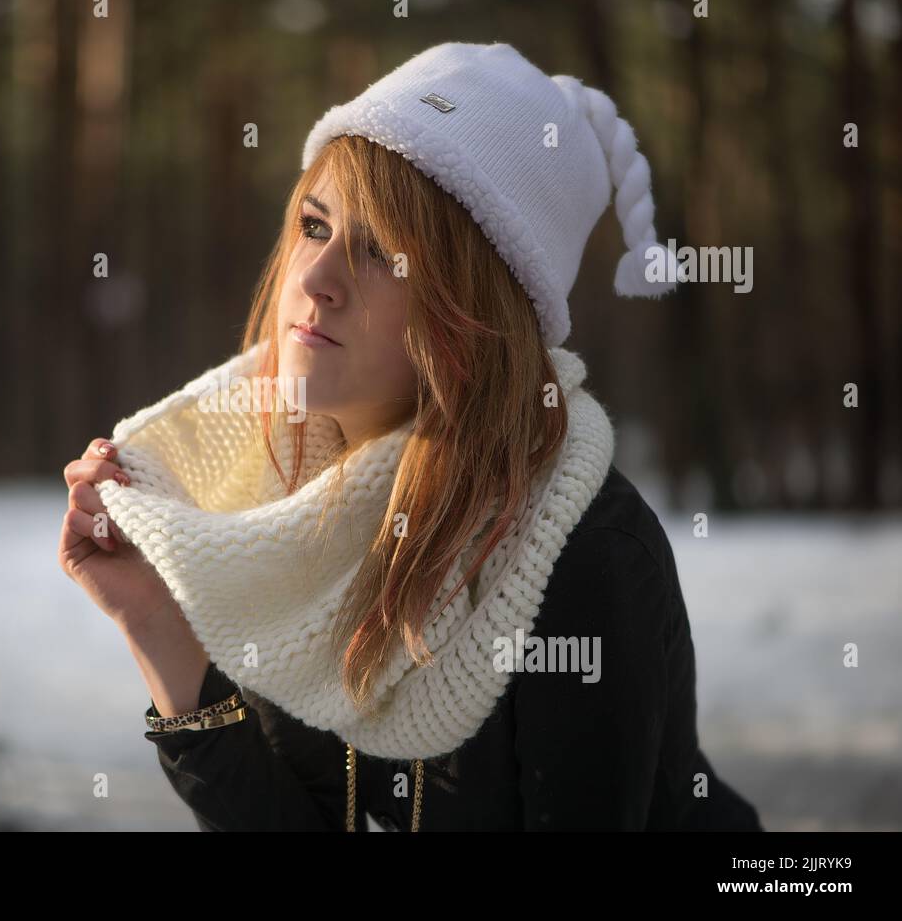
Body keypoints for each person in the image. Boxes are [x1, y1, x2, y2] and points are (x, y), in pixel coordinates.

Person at [57, 42, 762, 831]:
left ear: (474, 312)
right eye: (313, 225)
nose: (316, 279)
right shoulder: (273, 510)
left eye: (378, 252)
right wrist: (156, 624)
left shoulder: (582, 555)